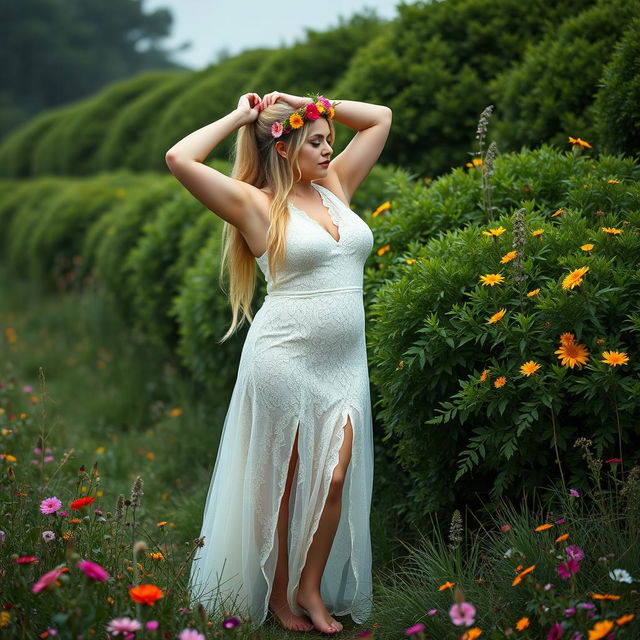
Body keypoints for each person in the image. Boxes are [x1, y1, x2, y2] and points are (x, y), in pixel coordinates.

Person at [165, 91, 391, 634]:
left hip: (344, 362)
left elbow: (380, 118)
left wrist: (314, 104)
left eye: (330, 139)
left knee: (334, 476)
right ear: (284, 147)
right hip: (283, 356)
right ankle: (278, 596)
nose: (328, 148)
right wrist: (242, 117)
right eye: (316, 141)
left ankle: (310, 588)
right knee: (287, 481)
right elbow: (179, 159)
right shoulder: (254, 204)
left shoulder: (334, 189)